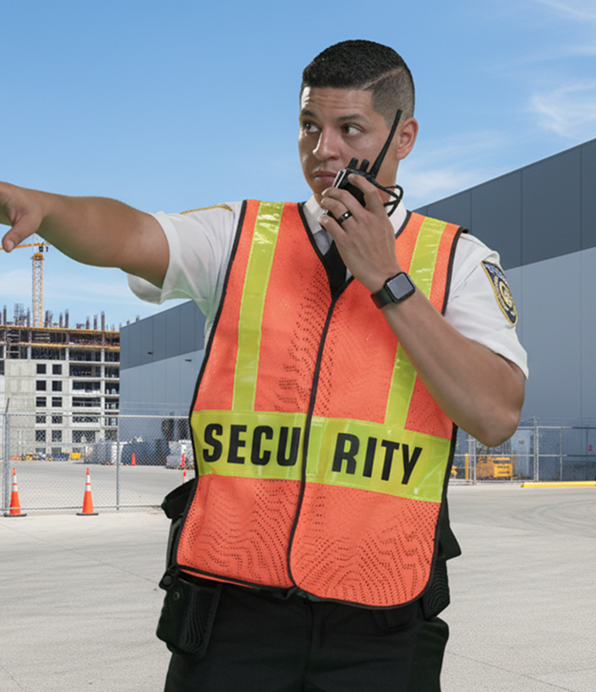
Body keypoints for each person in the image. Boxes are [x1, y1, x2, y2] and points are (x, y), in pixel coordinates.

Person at [1, 40, 527, 691]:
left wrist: (387, 278)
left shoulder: (460, 262)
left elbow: (496, 413)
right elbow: (130, 233)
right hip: (232, 618)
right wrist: (50, 209)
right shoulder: (241, 236)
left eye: (348, 128)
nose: (322, 150)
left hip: (381, 623)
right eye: (309, 126)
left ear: (404, 135)